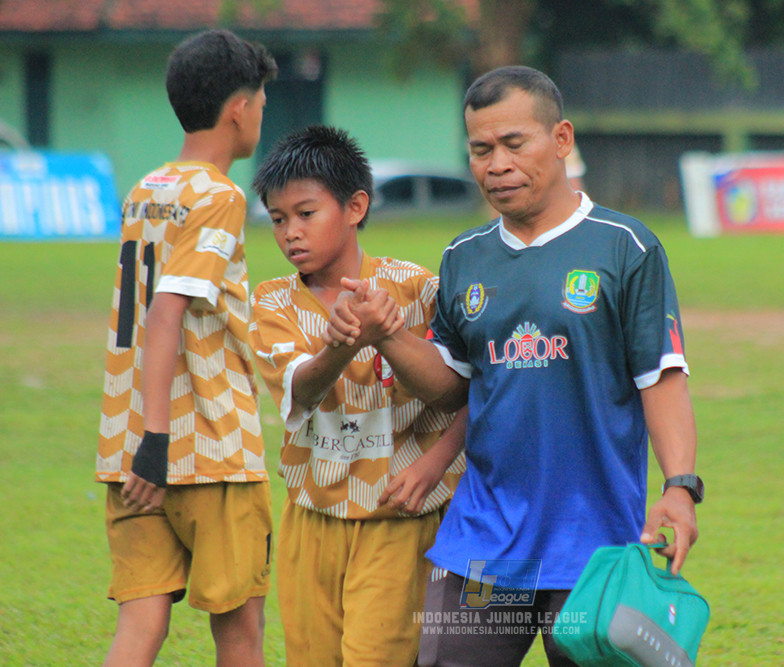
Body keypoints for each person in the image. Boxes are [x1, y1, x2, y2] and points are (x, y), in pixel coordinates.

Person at [329, 65, 701, 666]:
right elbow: (452, 388)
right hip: (485, 541)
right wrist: (389, 333)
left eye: (513, 144)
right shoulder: (464, 257)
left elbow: (661, 376)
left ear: (560, 140)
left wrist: (680, 486)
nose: (495, 164)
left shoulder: (624, 247)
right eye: (480, 150)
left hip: (595, 544)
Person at [248, 125, 467, 666]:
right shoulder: (272, 301)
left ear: (354, 207)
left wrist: (435, 464)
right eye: (278, 220)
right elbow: (299, 387)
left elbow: (468, 390)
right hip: (311, 518)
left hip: (396, 521)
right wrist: (343, 343)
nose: (290, 233)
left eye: (305, 213)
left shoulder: (417, 289)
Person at [95, 29, 276, 667]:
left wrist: (140, 440)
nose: (260, 113)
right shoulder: (219, 196)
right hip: (206, 446)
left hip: (126, 448)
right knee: (241, 632)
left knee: (140, 625)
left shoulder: (146, 188)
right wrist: (159, 439)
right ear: (239, 109)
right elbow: (169, 310)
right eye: (259, 101)